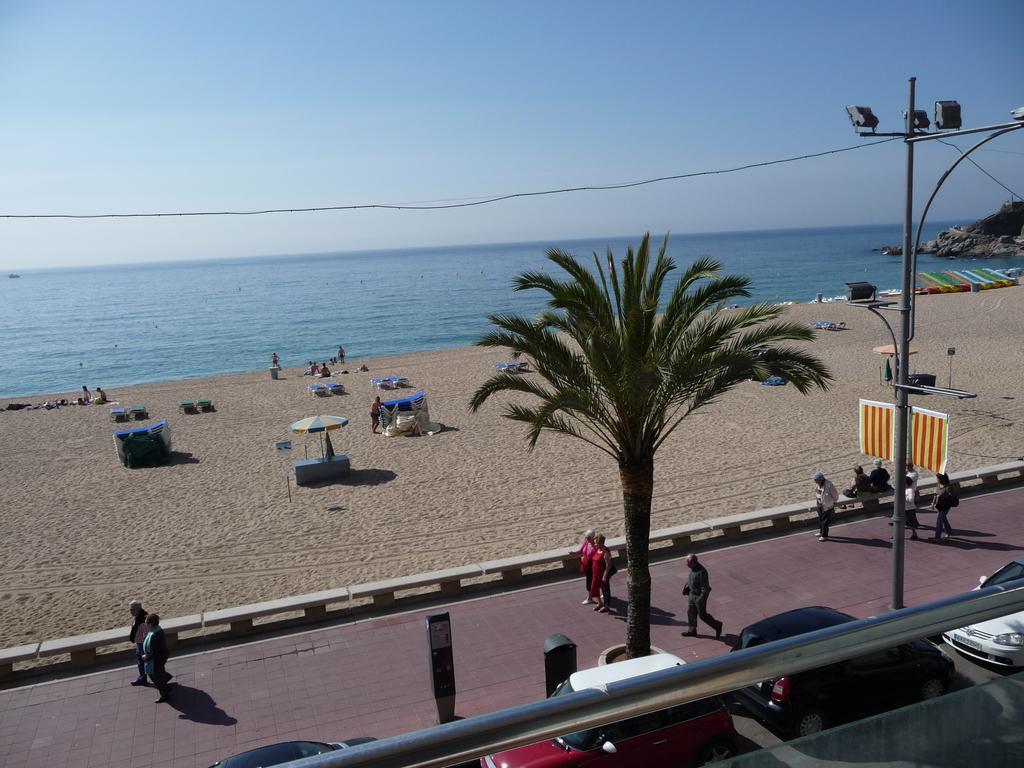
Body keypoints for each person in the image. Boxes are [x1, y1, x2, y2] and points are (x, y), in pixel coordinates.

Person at [683, 554, 722, 638]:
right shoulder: (691, 569)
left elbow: (705, 588)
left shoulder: (702, 572)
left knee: (702, 615)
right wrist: (687, 587)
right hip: (691, 594)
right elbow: (691, 579)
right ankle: (692, 630)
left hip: (699, 597)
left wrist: (701, 599)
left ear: (694, 562)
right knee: (691, 612)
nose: (686, 564)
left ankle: (717, 625)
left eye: (688, 563)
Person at [141, 613, 173, 702]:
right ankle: (166, 685)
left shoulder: (155, 635)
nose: (145, 624)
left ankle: (165, 695)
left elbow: (154, 652)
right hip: (161, 657)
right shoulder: (156, 630)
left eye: (146, 622)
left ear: (150, 624)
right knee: (159, 673)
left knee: (155, 677)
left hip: (157, 659)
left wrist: (146, 656)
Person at [570, 529, 597, 604]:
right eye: (586, 536)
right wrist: (573, 553)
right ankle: (592, 596)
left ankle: (590, 598)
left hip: (593, 565)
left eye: (587, 537)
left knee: (592, 581)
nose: (586, 538)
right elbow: (580, 551)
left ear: (591, 537)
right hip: (586, 565)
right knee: (590, 581)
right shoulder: (585, 543)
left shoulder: (595, 546)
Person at [931, 472, 959, 542]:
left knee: (939, 521)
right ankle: (949, 532)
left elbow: (953, 497)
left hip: (945, 506)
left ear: (941, 479)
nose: (936, 479)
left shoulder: (948, 487)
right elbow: (935, 494)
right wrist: (933, 502)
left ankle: (937, 538)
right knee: (943, 519)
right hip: (939, 505)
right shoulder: (938, 484)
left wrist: (946, 497)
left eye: (937, 477)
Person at [588, 534, 611, 613]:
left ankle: (606, 606)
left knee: (605, 591)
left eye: (595, 543)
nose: (594, 545)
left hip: (602, 575)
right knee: (594, 588)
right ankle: (600, 603)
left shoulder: (605, 552)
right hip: (595, 574)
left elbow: (608, 565)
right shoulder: (598, 549)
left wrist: (605, 576)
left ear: (600, 543)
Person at [813, 471, 838, 541]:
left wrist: (835, 501)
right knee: (820, 519)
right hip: (819, 504)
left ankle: (824, 535)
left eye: (815, 479)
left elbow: (835, 494)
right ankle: (821, 532)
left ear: (820, 479)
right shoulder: (819, 484)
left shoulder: (829, 484)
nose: (814, 481)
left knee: (825, 521)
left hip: (827, 505)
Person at [128, 599, 149, 686]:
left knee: (146, 663)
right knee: (141, 663)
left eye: (132, 609)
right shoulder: (138, 617)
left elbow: (146, 634)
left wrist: (144, 647)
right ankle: (142, 678)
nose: (130, 611)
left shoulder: (143, 620)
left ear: (137, 609)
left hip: (142, 645)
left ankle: (144, 679)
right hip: (139, 643)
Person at [904, 475, 920, 540]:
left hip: (909, 509)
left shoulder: (910, 490)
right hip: (905, 508)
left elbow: (910, 500)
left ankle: (914, 534)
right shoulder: (905, 489)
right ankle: (914, 534)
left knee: (911, 523)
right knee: (908, 523)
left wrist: (903, 497)